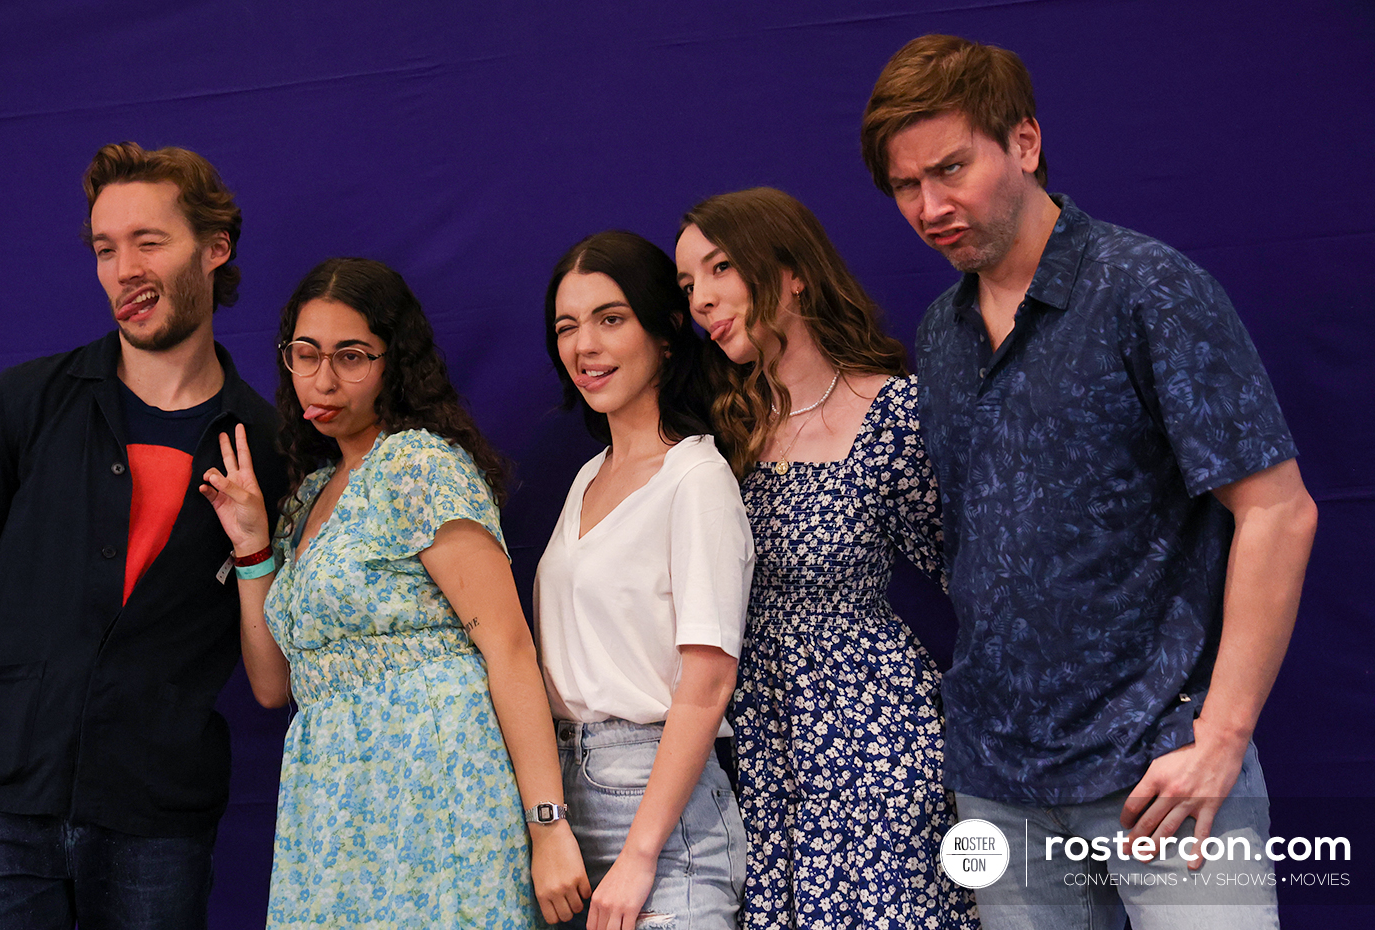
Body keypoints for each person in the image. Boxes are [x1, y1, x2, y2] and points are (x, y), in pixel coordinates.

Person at [860, 34, 1319, 928]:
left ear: (1023, 144)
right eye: (905, 186)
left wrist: (1220, 738)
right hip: (1000, 782)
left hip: (1160, 770)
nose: (930, 205)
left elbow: (1279, 512)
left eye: (951, 169)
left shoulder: (1146, 291)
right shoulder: (941, 333)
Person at [0, 142, 285, 928]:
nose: (123, 269)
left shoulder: (265, 442)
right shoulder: (27, 402)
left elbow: (275, 629)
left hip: (157, 814)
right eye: (105, 249)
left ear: (215, 250)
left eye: (149, 242)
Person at [198, 256, 590, 928]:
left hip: (437, 782)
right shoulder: (308, 498)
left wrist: (548, 826)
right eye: (306, 354)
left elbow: (509, 647)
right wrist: (255, 547)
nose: (323, 379)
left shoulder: (417, 463)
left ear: (393, 363)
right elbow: (271, 684)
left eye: (352, 356)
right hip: (333, 802)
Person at [675, 188, 979, 929]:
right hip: (761, 738)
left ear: (791, 274)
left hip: (874, 728)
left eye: (720, 270)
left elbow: (972, 581)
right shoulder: (721, 433)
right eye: (687, 286)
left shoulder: (896, 412)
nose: (703, 301)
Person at [535, 230, 752, 930]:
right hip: (570, 800)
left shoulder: (696, 477)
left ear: (665, 333)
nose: (584, 345)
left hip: (658, 806)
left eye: (610, 318)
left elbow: (709, 683)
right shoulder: (587, 477)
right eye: (567, 327)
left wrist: (640, 852)